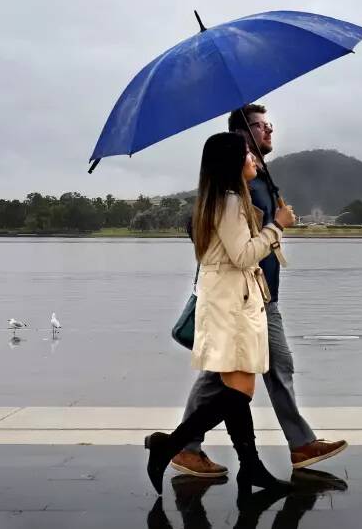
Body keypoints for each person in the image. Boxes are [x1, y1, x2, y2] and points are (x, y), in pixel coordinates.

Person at [170, 104, 348, 478]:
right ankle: (184, 447)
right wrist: (275, 227)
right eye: (260, 126)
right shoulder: (237, 186)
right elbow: (206, 227)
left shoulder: (259, 177)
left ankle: (291, 447)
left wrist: (271, 223)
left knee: (259, 371)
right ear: (241, 135)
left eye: (270, 125)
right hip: (242, 297)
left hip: (261, 292)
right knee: (235, 379)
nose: (269, 131)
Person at [144, 131, 297, 494]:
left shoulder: (222, 200)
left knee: (237, 389)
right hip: (231, 305)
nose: (254, 160)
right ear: (231, 162)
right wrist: (277, 227)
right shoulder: (228, 203)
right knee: (241, 391)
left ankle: (251, 467)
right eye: (247, 154)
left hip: (228, 300)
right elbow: (243, 255)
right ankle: (170, 445)